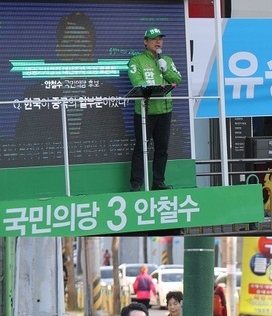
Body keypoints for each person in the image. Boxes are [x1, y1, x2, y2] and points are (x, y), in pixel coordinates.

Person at [15, 11, 126, 166]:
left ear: (92, 52)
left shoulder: (107, 92)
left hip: (94, 165)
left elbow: (116, 137)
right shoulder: (35, 93)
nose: (78, 51)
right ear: (58, 49)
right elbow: (24, 141)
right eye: (72, 43)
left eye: (84, 44)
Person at [128, 26, 182, 191]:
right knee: (140, 148)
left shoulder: (167, 60)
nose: (158, 41)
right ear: (146, 42)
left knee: (162, 149)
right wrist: (150, 87)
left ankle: (158, 182)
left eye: (160, 38)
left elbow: (177, 79)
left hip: (165, 111)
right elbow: (136, 82)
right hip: (145, 111)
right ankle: (136, 184)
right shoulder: (136, 60)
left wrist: (164, 68)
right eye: (154, 39)